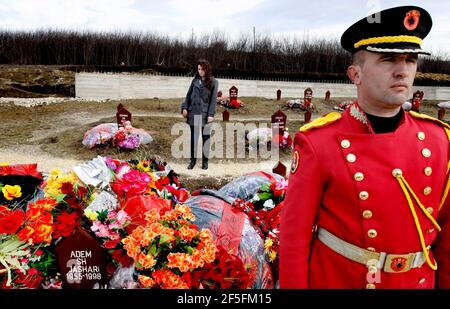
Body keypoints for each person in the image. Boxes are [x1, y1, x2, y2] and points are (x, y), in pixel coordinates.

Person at [280, 6, 450, 289]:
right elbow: (294, 241)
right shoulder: (319, 142)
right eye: (388, 59)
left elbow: (446, 239)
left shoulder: (439, 139)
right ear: (355, 74)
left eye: (410, 59)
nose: (402, 70)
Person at [181, 59, 218, 170]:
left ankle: (205, 162)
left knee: (205, 139)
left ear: (207, 69)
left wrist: (211, 114)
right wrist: (185, 108)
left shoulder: (213, 82)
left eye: (202, 69)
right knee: (194, 139)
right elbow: (188, 96)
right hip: (194, 114)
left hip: (205, 115)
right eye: (198, 69)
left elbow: (213, 100)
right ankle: (192, 161)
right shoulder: (195, 80)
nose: (200, 71)